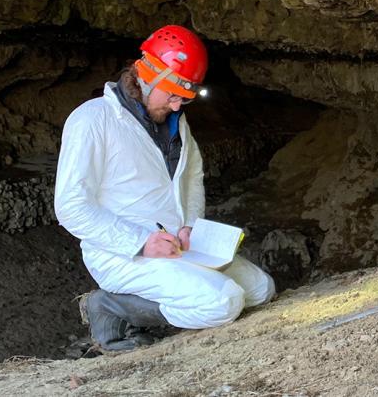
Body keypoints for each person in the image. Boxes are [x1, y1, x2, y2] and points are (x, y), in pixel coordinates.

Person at [55, 25, 275, 352]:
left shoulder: (175, 122)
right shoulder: (92, 120)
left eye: (183, 98)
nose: (176, 106)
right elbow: (71, 207)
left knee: (261, 290)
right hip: (124, 254)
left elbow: (191, 178)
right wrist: (142, 243)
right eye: (172, 94)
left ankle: (177, 296)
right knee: (225, 302)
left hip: (178, 245)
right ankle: (111, 306)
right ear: (146, 74)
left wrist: (190, 225)